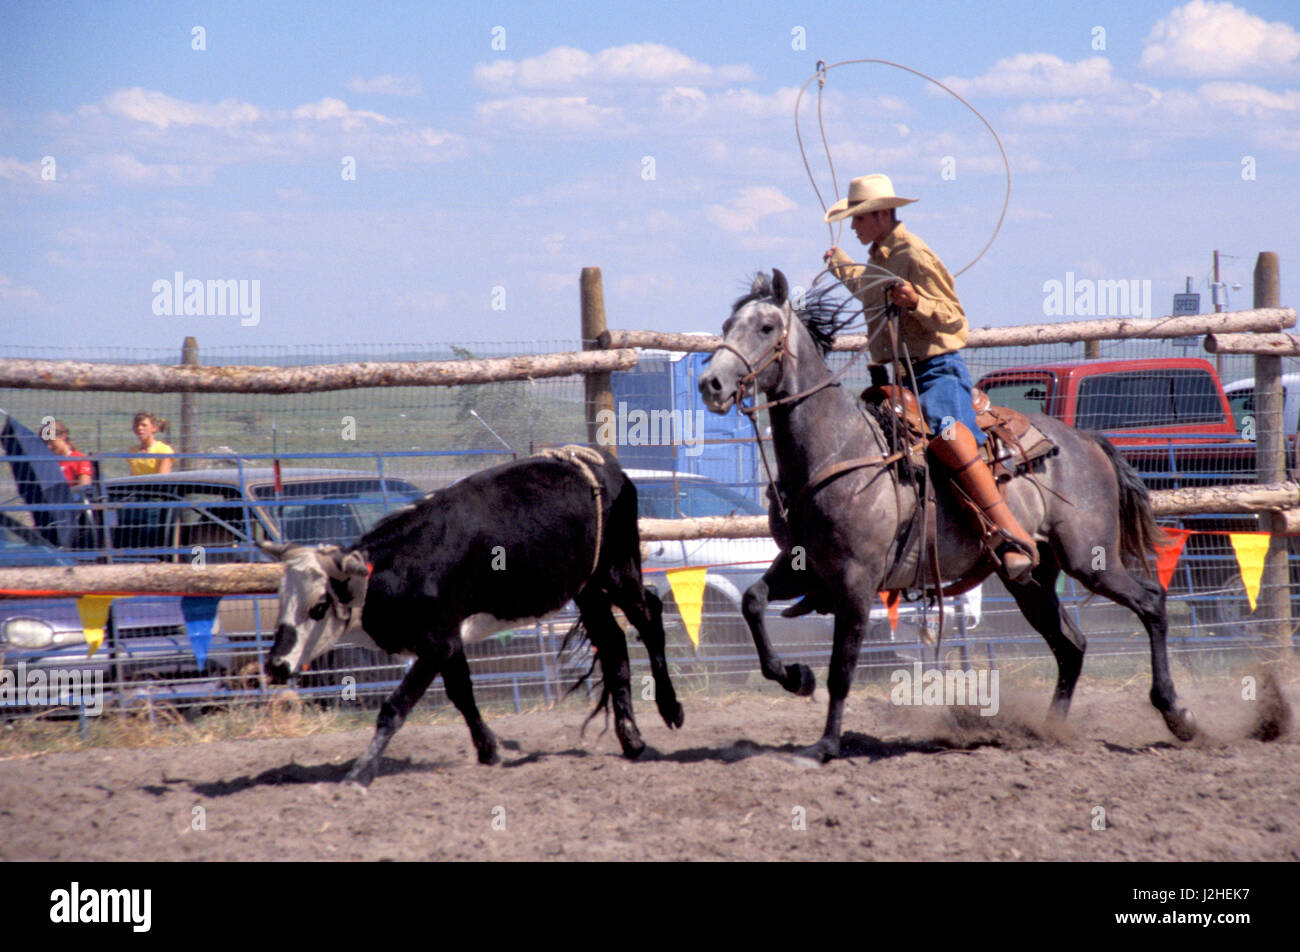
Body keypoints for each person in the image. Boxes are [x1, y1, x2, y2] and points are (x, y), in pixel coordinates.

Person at [822, 173, 1036, 581]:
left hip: (937, 369)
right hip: (901, 376)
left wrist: (917, 301)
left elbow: (955, 316)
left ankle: (1007, 536)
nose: (853, 227)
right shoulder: (880, 257)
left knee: (947, 433)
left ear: (882, 215)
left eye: (859, 219)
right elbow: (868, 289)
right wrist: (841, 265)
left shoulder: (915, 254)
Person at [43, 419, 93, 489]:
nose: (49, 446)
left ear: (63, 436)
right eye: (46, 443)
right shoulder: (50, 464)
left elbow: (85, 487)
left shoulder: (80, 459)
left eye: (51, 441)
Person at [128, 411, 174, 476]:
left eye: (144, 425)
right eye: (136, 425)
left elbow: (162, 480)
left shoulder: (163, 451)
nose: (139, 428)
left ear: (154, 428)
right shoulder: (133, 451)